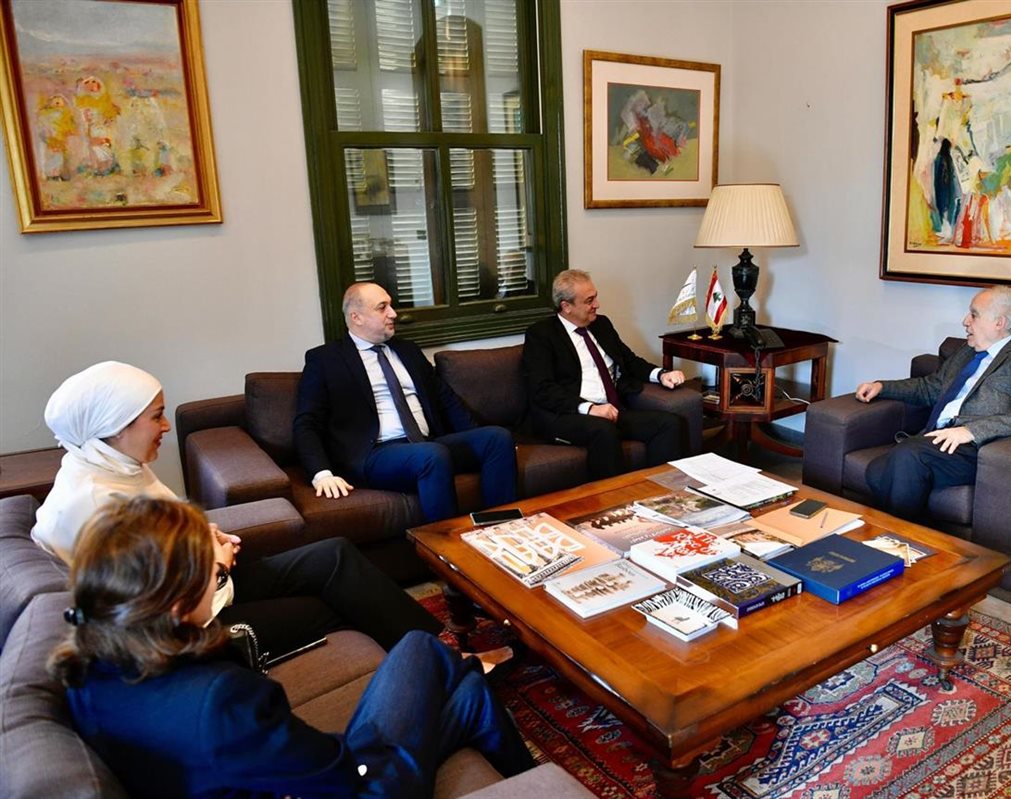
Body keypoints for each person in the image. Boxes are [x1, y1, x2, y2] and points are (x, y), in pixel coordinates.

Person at [52, 496, 535, 799]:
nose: (218, 581)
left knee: (469, 696)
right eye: (214, 576)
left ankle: (530, 785)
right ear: (177, 605)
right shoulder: (219, 699)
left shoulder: (90, 665)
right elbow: (338, 775)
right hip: (347, 787)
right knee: (418, 648)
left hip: (283, 779)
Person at [31, 360, 444, 659]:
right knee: (332, 607)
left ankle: (439, 648)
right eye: (156, 417)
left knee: (334, 554)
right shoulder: (95, 505)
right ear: (115, 426)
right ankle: (424, 668)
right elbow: (157, 609)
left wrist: (207, 536)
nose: (166, 427)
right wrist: (218, 565)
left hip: (203, 577)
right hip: (193, 619)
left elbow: (173, 525)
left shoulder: (119, 464)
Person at [294, 282, 517, 523]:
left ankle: (501, 528)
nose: (393, 313)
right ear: (356, 317)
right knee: (431, 455)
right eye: (382, 307)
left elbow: (446, 399)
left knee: (497, 438)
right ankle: (444, 540)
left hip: (427, 443)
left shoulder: (407, 350)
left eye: (391, 306)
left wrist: (474, 434)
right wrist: (321, 473)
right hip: (376, 453)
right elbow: (307, 422)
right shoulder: (325, 359)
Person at [855, 285, 1011, 519]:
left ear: (999, 322)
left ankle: (895, 536)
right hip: (937, 440)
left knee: (905, 458)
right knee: (878, 469)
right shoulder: (967, 350)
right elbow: (931, 387)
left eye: (974, 314)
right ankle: (916, 536)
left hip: (978, 449)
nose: (965, 321)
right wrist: (883, 387)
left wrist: (971, 431)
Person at [522, 269, 688, 480]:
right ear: (566, 306)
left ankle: (663, 491)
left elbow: (629, 360)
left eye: (595, 297)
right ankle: (614, 498)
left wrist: (661, 374)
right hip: (568, 415)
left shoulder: (601, 325)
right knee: (604, 430)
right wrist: (590, 408)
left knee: (669, 423)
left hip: (612, 410)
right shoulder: (541, 335)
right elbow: (542, 389)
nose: (597, 305)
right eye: (589, 300)